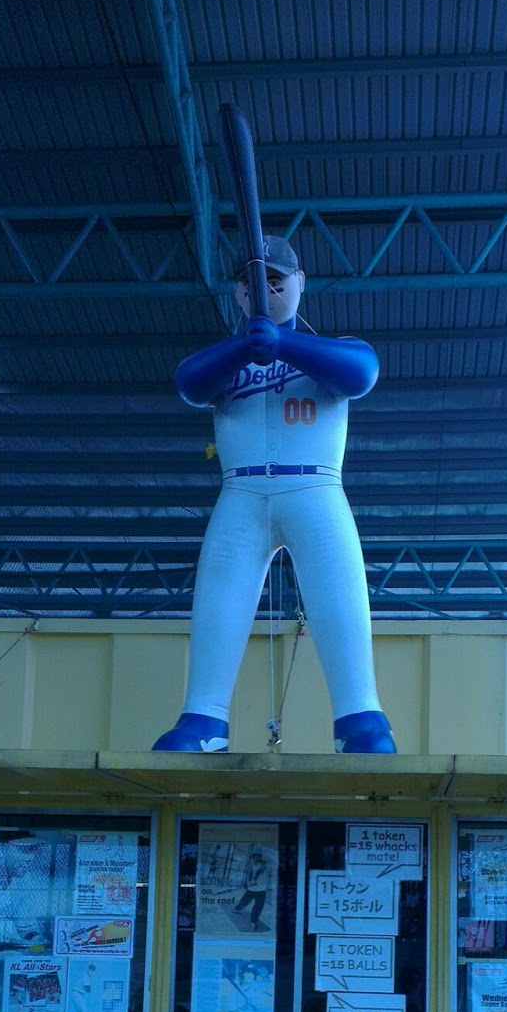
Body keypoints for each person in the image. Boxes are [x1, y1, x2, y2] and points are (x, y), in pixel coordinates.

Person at [153, 235, 396, 755]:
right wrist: (247, 345)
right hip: (241, 489)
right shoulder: (228, 360)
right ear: (239, 294)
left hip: (315, 486)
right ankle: (203, 718)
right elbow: (189, 383)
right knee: (219, 598)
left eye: (275, 280)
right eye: (251, 283)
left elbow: (362, 372)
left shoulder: (331, 349)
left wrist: (282, 342)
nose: (262, 289)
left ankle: (361, 718)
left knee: (339, 599)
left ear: (299, 284)